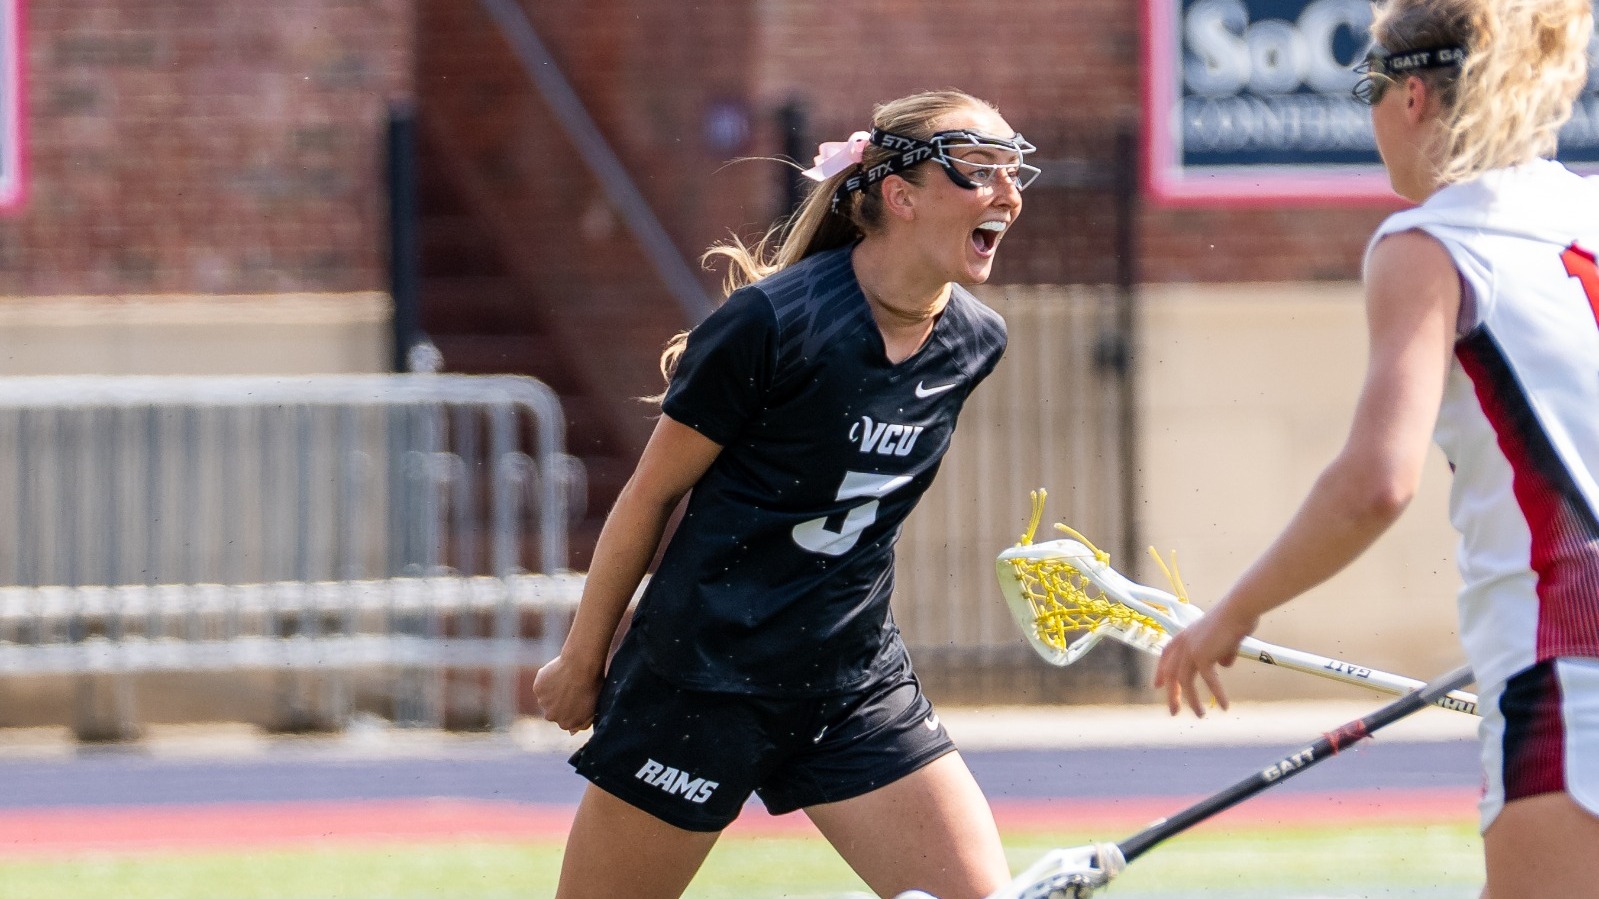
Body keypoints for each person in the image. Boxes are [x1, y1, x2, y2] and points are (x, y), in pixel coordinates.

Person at [532, 89, 1039, 899]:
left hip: (851, 682)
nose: (1007, 194)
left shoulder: (976, 338)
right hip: (702, 681)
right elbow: (648, 496)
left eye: (1012, 171)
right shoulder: (771, 322)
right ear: (899, 194)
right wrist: (581, 657)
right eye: (979, 172)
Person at [1152, 1, 1599, 896]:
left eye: (1366, 89)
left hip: (1564, 652)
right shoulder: (1583, 211)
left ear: (1411, 99)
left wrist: (1230, 615)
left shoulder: (1430, 241)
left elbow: (1373, 482)